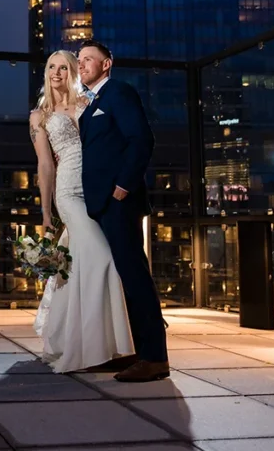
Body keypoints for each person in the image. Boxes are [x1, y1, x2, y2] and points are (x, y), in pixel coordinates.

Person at [29, 50, 133, 373]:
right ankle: (94, 348)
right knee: (102, 258)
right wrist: (46, 213)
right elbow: (45, 166)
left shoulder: (88, 104)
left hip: (96, 191)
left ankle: (88, 343)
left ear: (72, 72)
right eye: (51, 66)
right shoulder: (39, 117)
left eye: (64, 67)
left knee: (79, 265)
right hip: (69, 194)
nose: (56, 72)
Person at [77, 40, 169, 382]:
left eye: (89, 59)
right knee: (122, 279)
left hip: (119, 202)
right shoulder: (93, 102)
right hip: (101, 204)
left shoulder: (119, 92)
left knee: (135, 276)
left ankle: (155, 357)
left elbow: (141, 139)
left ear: (107, 64)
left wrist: (123, 186)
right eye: (80, 59)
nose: (82, 64)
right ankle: (139, 352)